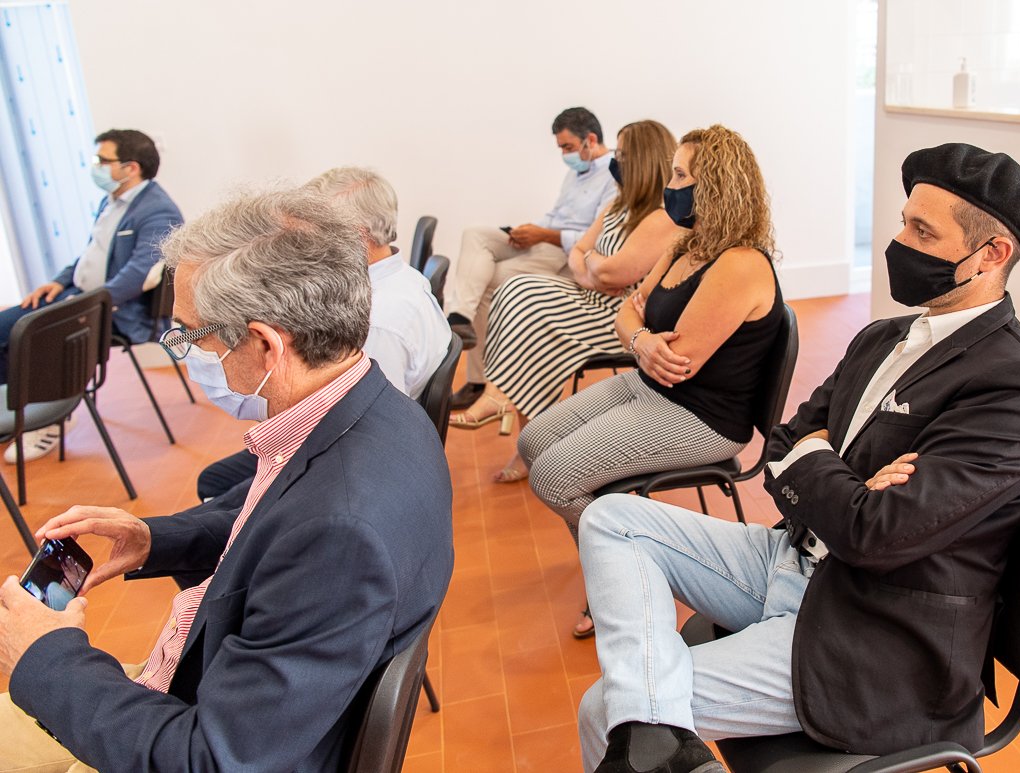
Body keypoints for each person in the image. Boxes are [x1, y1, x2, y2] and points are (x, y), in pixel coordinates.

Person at [574, 143, 1020, 773]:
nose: (899, 243)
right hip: (795, 559)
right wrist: (841, 478)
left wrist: (823, 466)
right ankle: (655, 732)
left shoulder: (1019, 386)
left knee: (605, 709)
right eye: (904, 222)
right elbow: (784, 444)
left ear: (991, 254)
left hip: (874, 629)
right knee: (611, 518)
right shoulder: (883, 337)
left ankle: (647, 732)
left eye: (923, 232)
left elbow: (875, 533)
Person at [0, 188, 454, 772]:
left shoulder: (339, 533)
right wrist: (152, 539)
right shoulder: (368, 411)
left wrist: (44, 655)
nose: (186, 350)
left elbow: (211, 759)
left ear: (265, 344)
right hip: (202, 691)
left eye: (191, 334)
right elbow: (264, 518)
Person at [519, 125, 784, 640]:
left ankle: (630, 584)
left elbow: (676, 362)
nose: (670, 186)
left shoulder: (740, 264)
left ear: (716, 186)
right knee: (533, 442)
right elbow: (627, 313)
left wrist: (639, 338)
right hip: (652, 388)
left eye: (681, 176)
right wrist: (641, 340)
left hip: (701, 417)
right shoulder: (687, 244)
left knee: (554, 478)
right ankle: (612, 557)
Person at [195, 166, 452, 501]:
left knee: (214, 483)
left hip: (349, 460)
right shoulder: (402, 279)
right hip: (358, 438)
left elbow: (362, 421)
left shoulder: (378, 321)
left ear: (356, 234)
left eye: (315, 229)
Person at [449, 119, 683, 483]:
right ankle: (511, 415)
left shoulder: (661, 218)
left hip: (618, 315)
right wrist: (592, 269)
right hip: (589, 296)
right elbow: (580, 254)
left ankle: (508, 412)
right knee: (515, 289)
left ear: (641, 160)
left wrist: (593, 264)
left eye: (622, 155)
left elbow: (614, 275)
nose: (615, 161)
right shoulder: (619, 204)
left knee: (529, 306)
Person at [0, 129, 183, 463]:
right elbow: (91, 253)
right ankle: (14, 413)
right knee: (5, 326)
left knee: (34, 333)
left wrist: (82, 304)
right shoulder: (111, 202)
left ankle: (48, 419)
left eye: (102, 160)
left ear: (131, 168)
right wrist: (59, 282)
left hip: (116, 310)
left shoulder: (158, 211)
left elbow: (139, 275)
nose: (96, 166)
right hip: (79, 295)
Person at [446, 106, 617, 410]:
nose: (565, 154)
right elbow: (555, 216)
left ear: (590, 140)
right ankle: (459, 319)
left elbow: (597, 237)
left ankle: (479, 382)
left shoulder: (613, 177)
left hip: (569, 254)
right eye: (561, 148)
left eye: (568, 147)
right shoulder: (575, 174)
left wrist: (543, 235)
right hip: (547, 243)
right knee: (475, 234)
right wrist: (527, 230)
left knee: (485, 281)